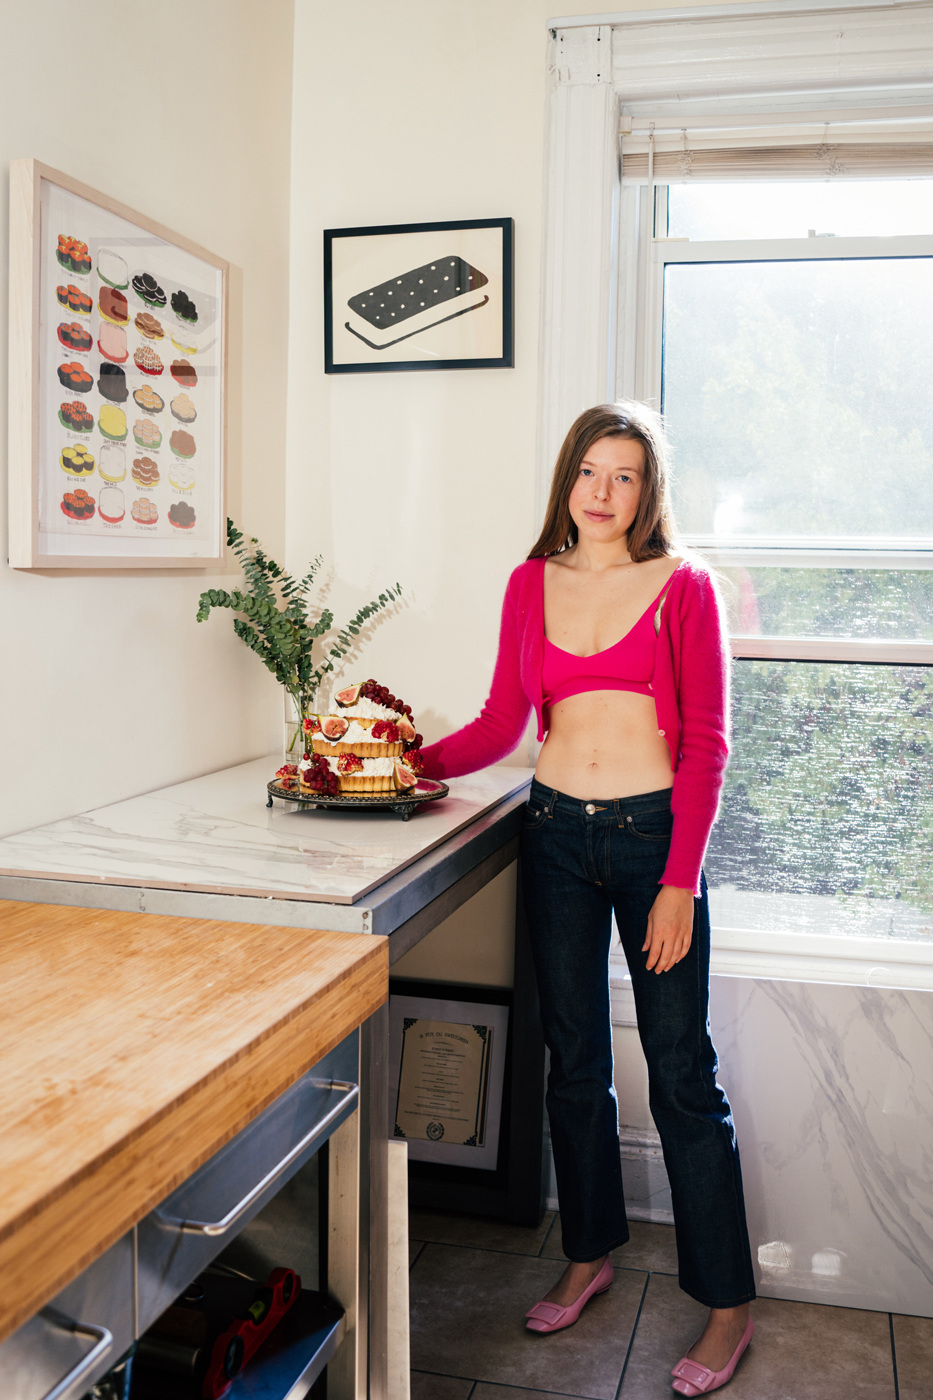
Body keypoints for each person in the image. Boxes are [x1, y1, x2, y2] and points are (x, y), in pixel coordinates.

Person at [419, 402, 756, 1397]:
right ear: (567, 479)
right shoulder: (532, 582)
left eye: (626, 476)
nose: (604, 493)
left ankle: (728, 1300)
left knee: (681, 1073)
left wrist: (679, 884)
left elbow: (707, 745)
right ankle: (591, 1250)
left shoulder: (685, 585)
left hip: (654, 838)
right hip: (556, 833)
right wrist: (397, 762)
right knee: (574, 1060)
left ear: (649, 492)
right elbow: (497, 723)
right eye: (590, 472)